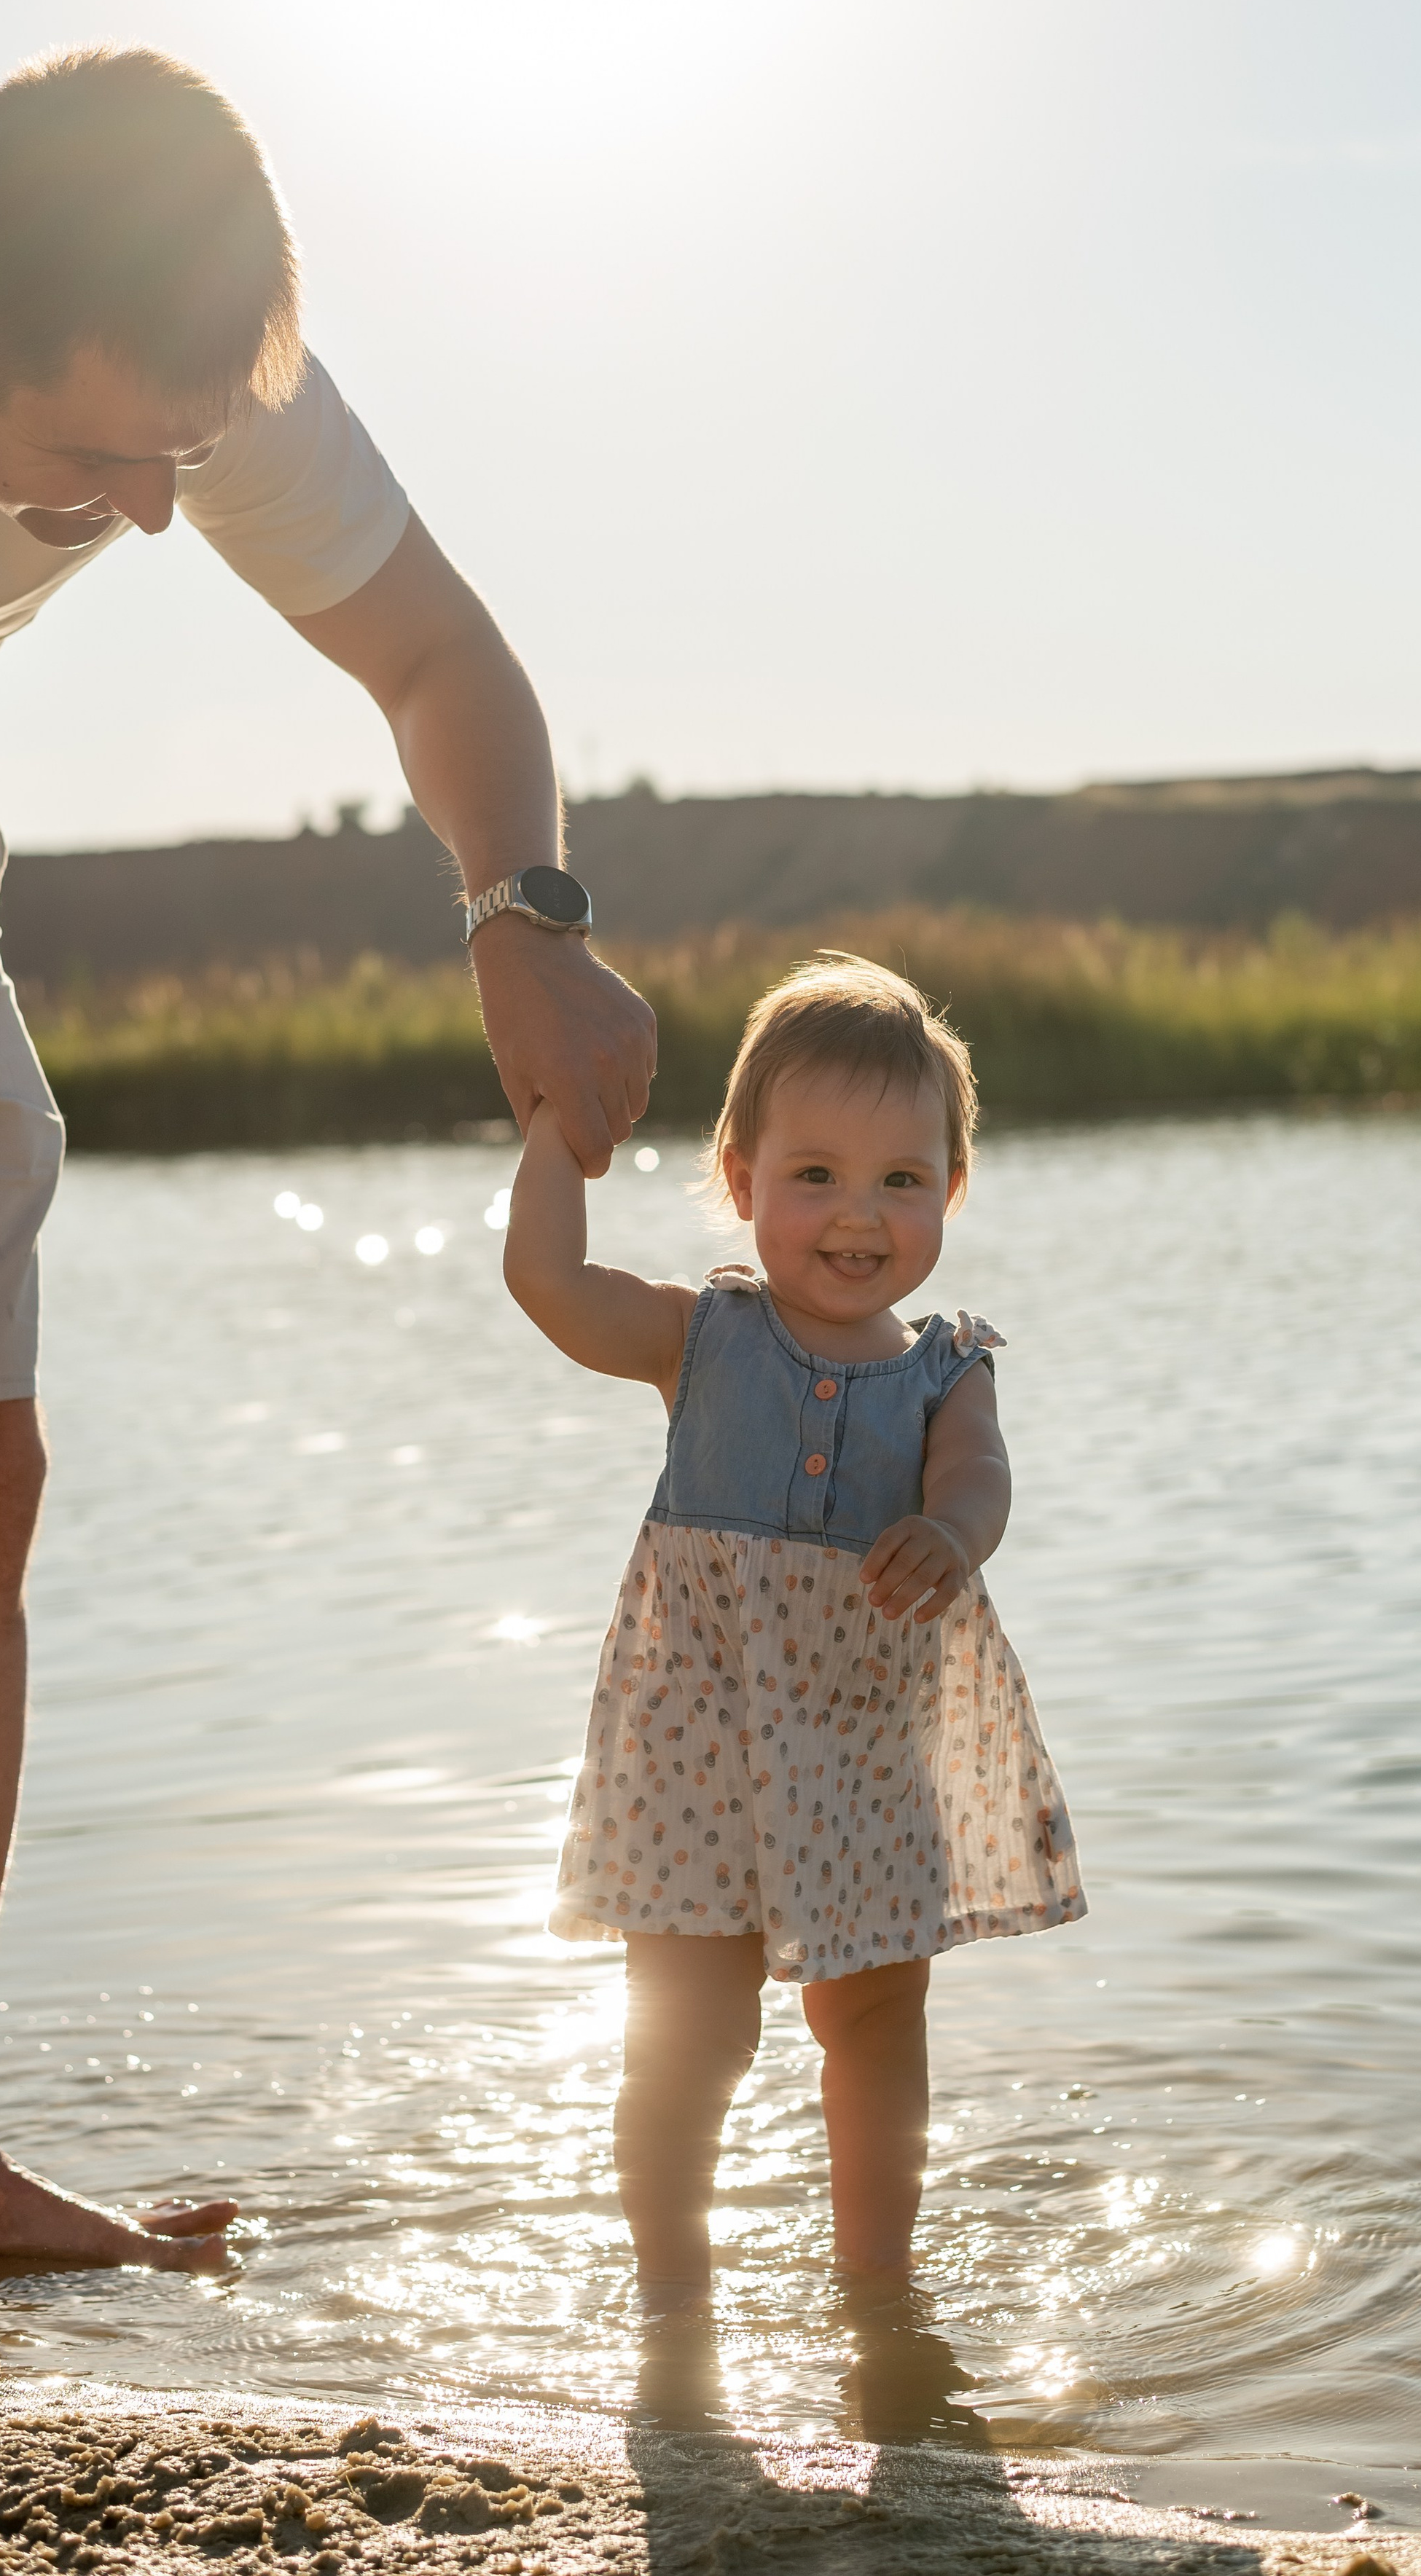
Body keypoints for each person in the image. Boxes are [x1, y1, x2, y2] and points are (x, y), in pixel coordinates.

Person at [0, 45, 654, 2384]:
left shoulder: (184, 348)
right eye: (98, 463)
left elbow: (433, 651)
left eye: (182, 458)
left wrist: (524, 908)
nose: (155, 516)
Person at [501, 956, 1082, 2315]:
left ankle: (878, 2290)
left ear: (950, 1188)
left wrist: (952, 1534)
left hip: (867, 1758)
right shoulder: (699, 1338)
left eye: (901, 1179)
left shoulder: (948, 1365)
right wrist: (552, 1128)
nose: (858, 1217)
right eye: (814, 1175)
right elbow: (545, 1279)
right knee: (689, 2040)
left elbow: (979, 1477)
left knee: (877, 2020)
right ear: (741, 1173)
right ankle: (672, 2293)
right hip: (697, 1753)